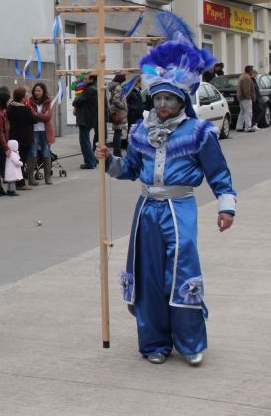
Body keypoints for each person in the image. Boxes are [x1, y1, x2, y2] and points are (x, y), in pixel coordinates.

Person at [95, 24, 235, 366]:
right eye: (157, 98)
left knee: (182, 270)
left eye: (168, 98)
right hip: (146, 211)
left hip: (179, 207)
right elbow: (129, 168)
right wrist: (108, 161)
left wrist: (226, 206)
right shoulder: (142, 129)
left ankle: (189, 341)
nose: (161, 104)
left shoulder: (199, 132)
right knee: (149, 276)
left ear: (181, 100)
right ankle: (154, 342)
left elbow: (219, 173)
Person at [7, 87, 38, 190]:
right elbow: (34, 120)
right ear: (22, 97)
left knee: (15, 160)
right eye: (26, 95)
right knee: (21, 161)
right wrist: (31, 108)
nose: (28, 96)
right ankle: (20, 183)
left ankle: (17, 181)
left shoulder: (10, 108)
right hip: (24, 138)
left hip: (13, 137)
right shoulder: (25, 109)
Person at [27, 82, 55, 185]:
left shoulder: (48, 101)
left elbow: (48, 117)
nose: (37, 92)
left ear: (43, 91)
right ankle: (30, 178)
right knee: (32, 153)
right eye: (35, 90)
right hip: (33, 130)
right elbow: (30, 115)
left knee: (46, 152)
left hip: (45, 130)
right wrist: (41, 116)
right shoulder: (29, 101)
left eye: (39, 91)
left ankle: (47, 177)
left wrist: (36, 115)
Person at [72, 74, 98, 169]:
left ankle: (90, 162)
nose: (83, 80)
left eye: (85, 79)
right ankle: (92, 161)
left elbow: (77, 101)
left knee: (84, 141)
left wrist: (75, 101)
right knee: (86, 140)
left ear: (91, 79)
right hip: (89, 117)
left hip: (85, 118)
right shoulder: (93, 88)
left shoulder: (90, 89)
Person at [108, 82, 128, 157]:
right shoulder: (118, 89)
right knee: (118, 134)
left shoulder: (114, 90)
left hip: (116, 113)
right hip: (119, 114)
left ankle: (116, 152)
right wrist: (124, 106)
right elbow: (116, 101)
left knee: (117, 133)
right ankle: (117, 152)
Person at [236, 65, 255, 132]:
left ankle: (239, 127)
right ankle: (248, 127)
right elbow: (246, 89)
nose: (252, 71)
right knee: (248, 112)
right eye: (252, 70)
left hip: (241, 97)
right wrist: (249, 97)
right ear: (250, 71)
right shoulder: (246, 78)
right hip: (245, 98)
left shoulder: (242, 76)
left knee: (242, 112)